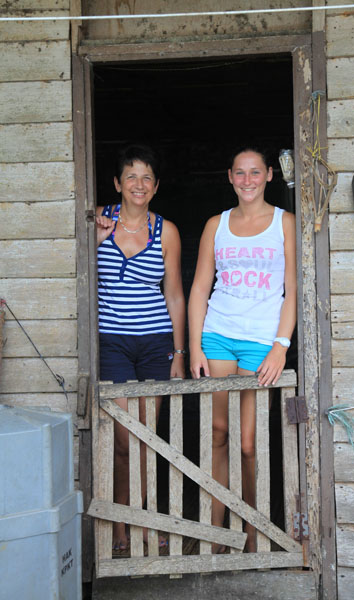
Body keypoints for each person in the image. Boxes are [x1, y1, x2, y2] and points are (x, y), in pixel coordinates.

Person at [188, 146, 296, 553]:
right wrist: (195, 345)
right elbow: (200, 287)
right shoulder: (217, 224)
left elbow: (292, 289)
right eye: (240, 173)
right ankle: (217, 532)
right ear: (229, 177)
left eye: (255, 172)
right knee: (218, 432)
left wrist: (281, 346)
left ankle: (253, 529)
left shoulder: (285, 223)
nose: (247, 180)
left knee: (248, 441)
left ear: (269, 175)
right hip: (218, 333)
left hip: (260, 341)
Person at [96, 144, 186, 552]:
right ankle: (120, 526)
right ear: (117, 183)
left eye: (146, 177)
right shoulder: (98, 222)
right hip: (112, 343)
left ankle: (146, 522)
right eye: (130, 176)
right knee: (120, 439)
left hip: (155, 344)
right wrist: (93, 238)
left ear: (156, 187)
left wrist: (180, 353)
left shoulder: (165, 231)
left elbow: (175, 295)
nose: (138, 183)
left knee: (147, 438)